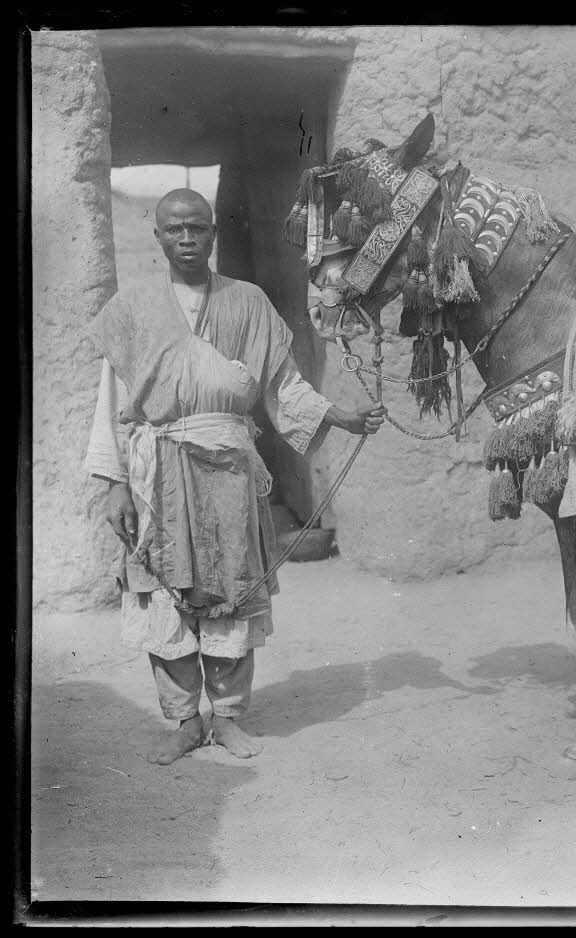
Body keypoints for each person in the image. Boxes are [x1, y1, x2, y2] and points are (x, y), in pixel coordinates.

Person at [83, 188, 385, 765]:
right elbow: (112, 402)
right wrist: (115, 483)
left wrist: (341, 415)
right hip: (158, 472)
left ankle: (227, 719)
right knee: (165, 598)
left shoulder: (248, 303)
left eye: (198, 228)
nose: (188, 239)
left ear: (214, 233)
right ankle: (183, 721)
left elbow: (283, 386)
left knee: (233, 593)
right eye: (175, 230)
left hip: (230, 472)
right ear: (158, 237)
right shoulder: (132, 309)